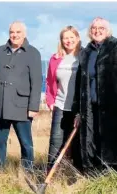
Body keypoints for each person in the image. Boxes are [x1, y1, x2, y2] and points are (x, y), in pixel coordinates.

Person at [71, 17, 117, 175]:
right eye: (94, 28)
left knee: (112, 145)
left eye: (101, 28)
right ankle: (94, 178)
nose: (97, 31)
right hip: (90, 106)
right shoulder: (86, 52)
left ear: (107, 31)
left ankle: (114, 179)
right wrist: (78, 111)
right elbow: (79, 83)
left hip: (113, 106)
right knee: (92, 142)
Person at [0, 21, 42, 172]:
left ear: (24, 34)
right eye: (12, 32)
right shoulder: (0, 51)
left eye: (18, 32)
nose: (14, 35)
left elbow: (37, 82)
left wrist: (34, 107)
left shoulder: (33, 53)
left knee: (25, 143)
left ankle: (27, 172)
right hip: (1, 105)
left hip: (22, 106)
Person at [44, 25, 83, 173]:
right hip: (60, 105)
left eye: (71, 37)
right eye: (65, 38)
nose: (69, 41)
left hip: (78, 107)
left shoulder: (83, 56)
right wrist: (50, 101)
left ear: (77, 38)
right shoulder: (55, 59)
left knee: (77, 143)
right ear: (61, 40)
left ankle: (77, 173)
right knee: (55, 141)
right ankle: (51, 174)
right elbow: (49, 82)